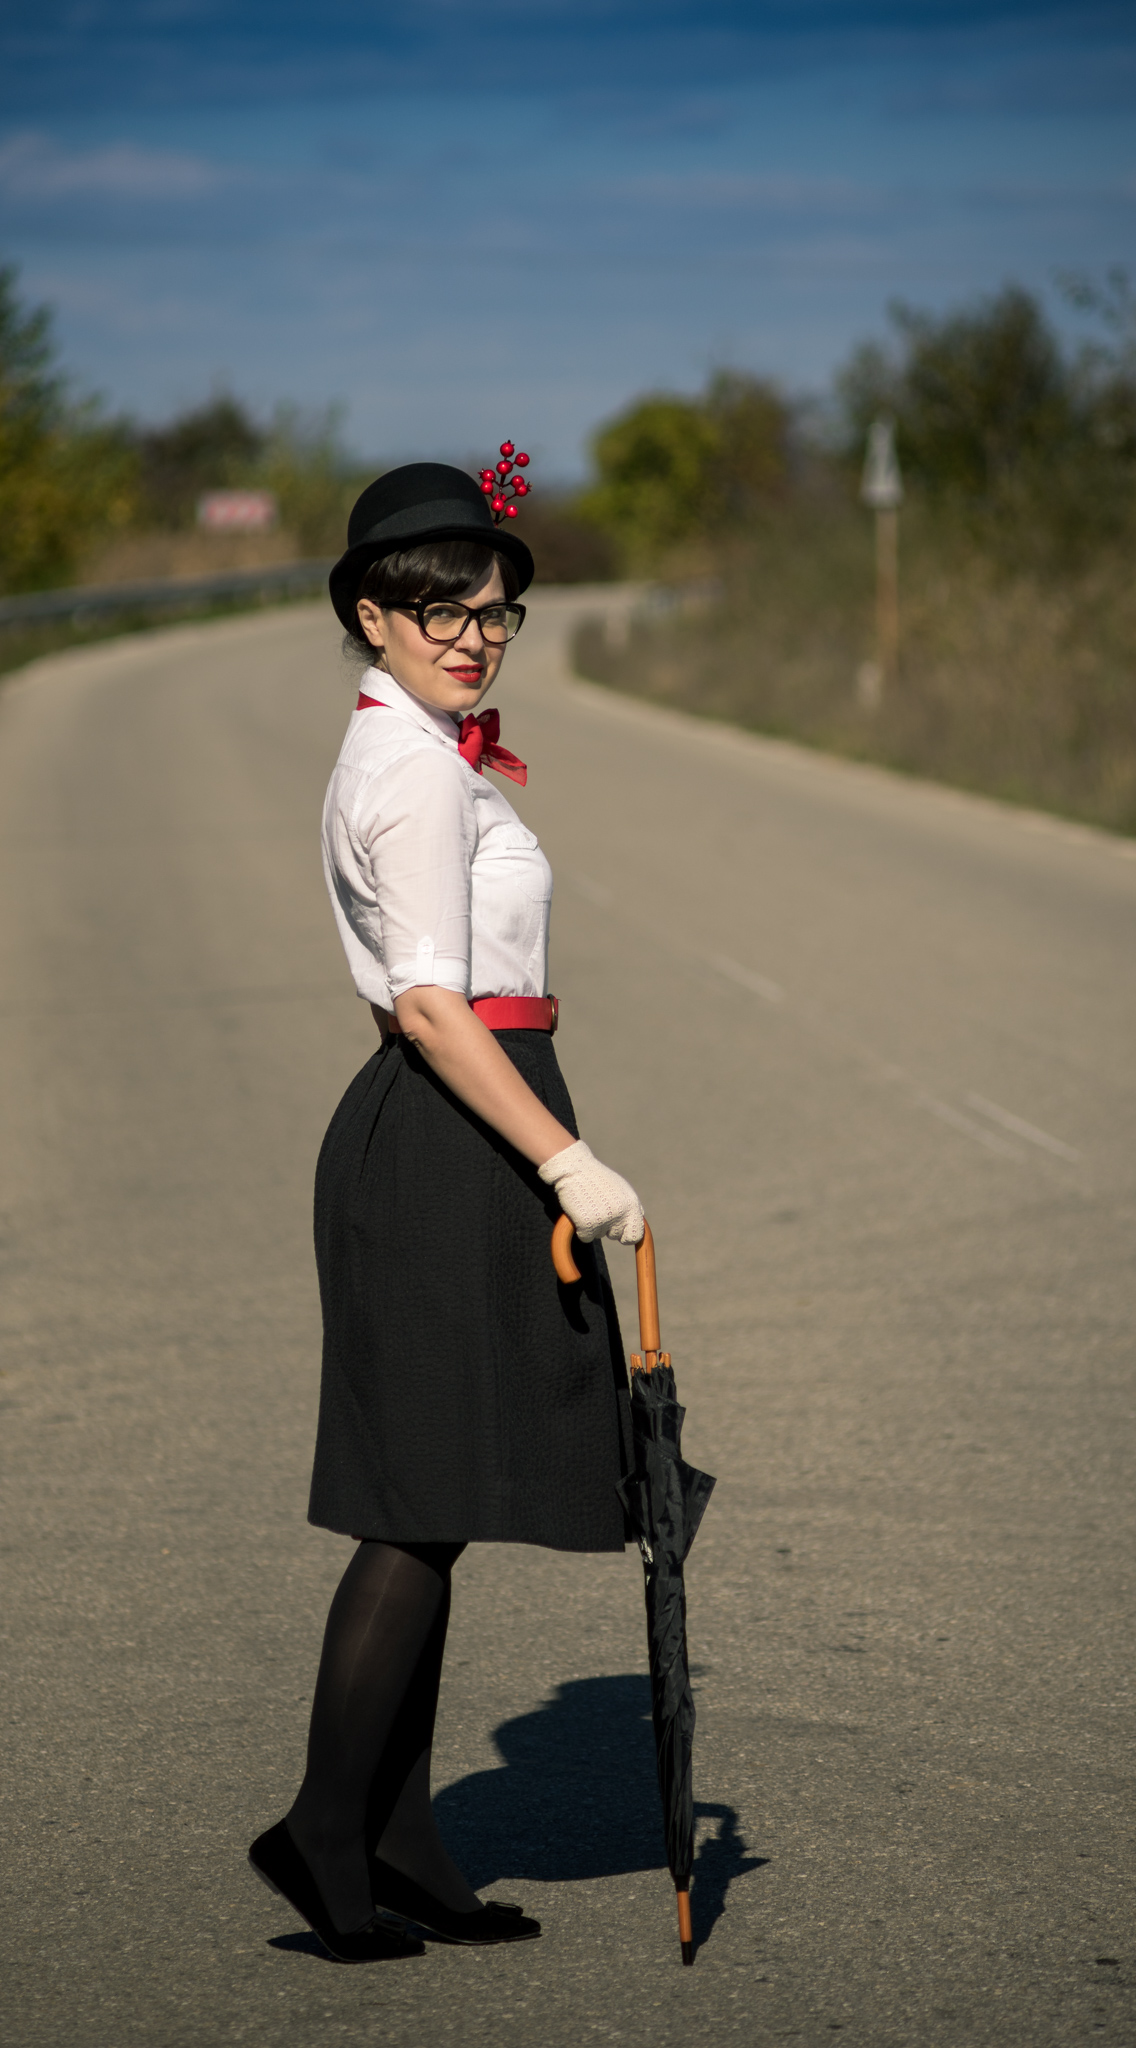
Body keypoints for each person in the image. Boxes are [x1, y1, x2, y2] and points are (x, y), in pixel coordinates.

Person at [249, 463, 645, 1963]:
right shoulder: (409, 767)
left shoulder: (430, 747)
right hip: (449, 1129)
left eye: (494, 611)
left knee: (444, 1501)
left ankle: (405, 1837)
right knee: (418, 1505)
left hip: (470, 1117)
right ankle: (325, 1833)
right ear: (372, 614)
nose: (474, 634)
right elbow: (426, 1000)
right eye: (438, 608)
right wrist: (563, 1158)